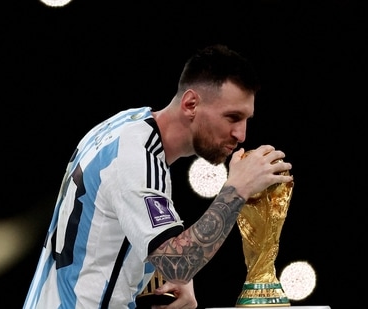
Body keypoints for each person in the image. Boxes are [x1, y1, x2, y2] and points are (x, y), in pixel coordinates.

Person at [23, 44, 293, 309]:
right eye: (232, 117)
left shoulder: (123, 125)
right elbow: (177, 263)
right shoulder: (137, 159)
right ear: (190, 104)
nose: (241, 134)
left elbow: (101, 234)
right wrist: (237, 189)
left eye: (246, 119)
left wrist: (164, 272)